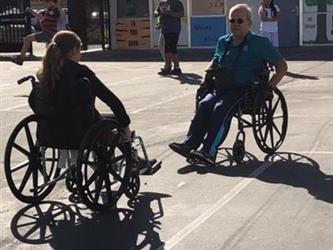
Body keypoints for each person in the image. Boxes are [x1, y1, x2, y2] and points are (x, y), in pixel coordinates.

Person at [169, 3, 288, 165]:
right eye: (232, 21)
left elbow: (282, 66)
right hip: (221, 86)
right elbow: (215, 61)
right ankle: (189, 144)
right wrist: (206, 78)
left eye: (240, 21)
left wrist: (269, 87)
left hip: (244, 90)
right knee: (205, 104)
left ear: (249, 23)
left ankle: (209, 151)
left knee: (221, 108)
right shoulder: (223, 41)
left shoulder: (260, 43)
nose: (235, 24)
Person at [29, 30, 135, 169]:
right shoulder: (81, 73)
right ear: (74, 50)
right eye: (80, 49)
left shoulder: (44, 74)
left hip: (49, 131)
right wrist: (125, 125)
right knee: (115, 120)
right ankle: (131, 160)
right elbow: (110, 99)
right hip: (79, 132)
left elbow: (33, 102)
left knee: (102, 121)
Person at [11, 0, 60, 66]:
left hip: (49, 33)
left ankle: (20, 58)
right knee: (50, 51)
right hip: (48, 32)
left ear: (51, 1)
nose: (44, 4)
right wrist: (34, 13)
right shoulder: (50, 9)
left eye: (46, 2)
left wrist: (32, 12)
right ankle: (53, 64)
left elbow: (45, 20)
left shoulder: (54, 10)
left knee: (27, 39)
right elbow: (43, 19)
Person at [155, 0, 184, 76]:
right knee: (168, 48)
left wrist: (170, 13)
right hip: (165, 29)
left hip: (174, 29)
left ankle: (170, 67)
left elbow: (181, 14)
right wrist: (157, 14)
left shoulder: (177, 3)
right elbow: (157, 12)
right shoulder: (162, 3)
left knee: (170, 48)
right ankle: (173, 67)